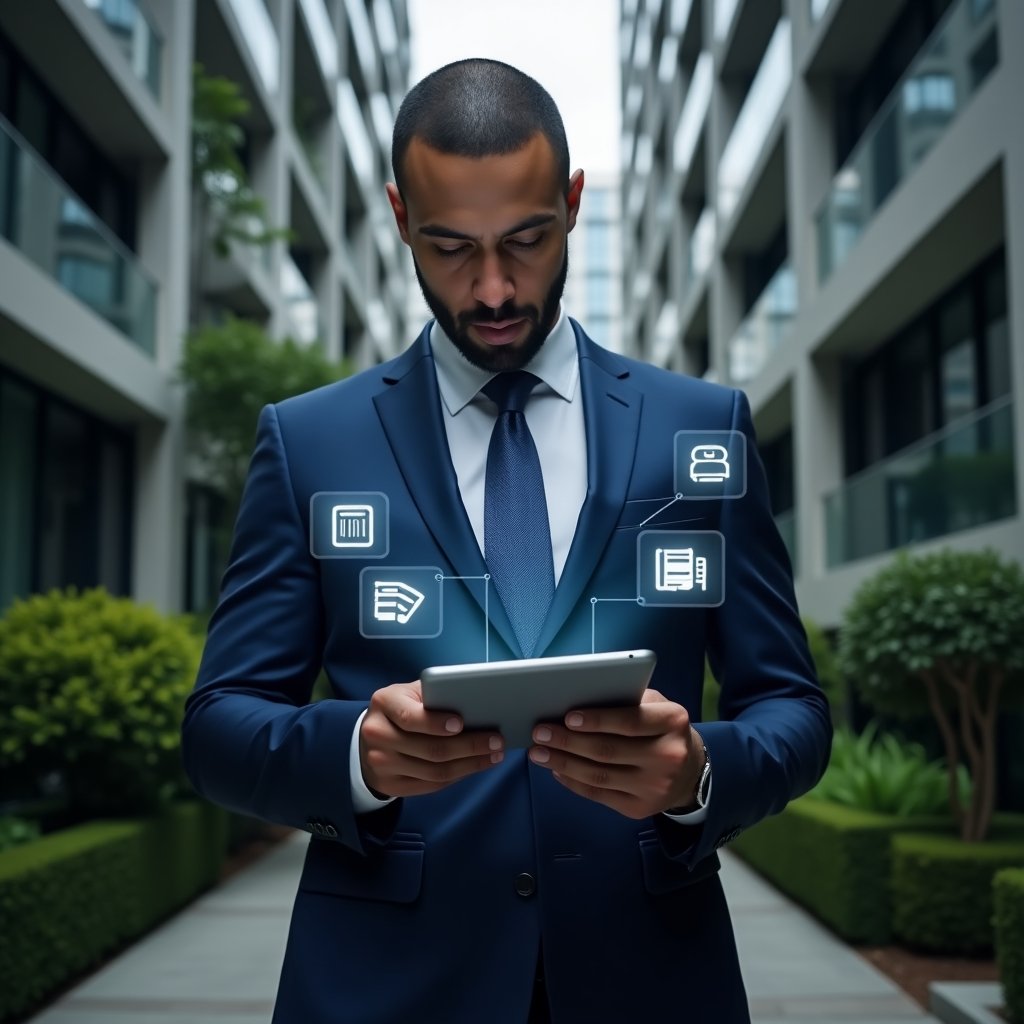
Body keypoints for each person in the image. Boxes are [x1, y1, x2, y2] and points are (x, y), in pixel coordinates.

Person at [182, 58, 832, 1024]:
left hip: (650, 981)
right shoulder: (309, 442)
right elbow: (219, 726)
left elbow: (790, 706)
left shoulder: (704, 428)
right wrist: (354, 753)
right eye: (450, 248)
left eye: (526, 240)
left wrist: (699, 774)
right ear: (401, 219)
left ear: (572, 204)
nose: (492, 288)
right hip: (384, 987)